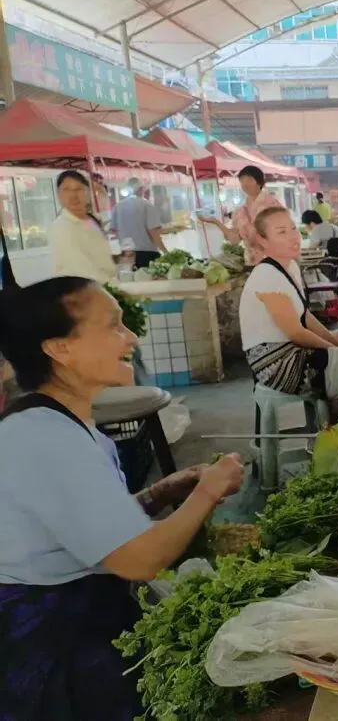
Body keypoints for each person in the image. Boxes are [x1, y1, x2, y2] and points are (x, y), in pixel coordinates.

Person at [0, 276, 244, 720]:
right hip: (49, 640)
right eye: (113, 326)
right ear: (59, 349)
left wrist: (159, 494)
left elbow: (87, 527)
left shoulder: (64, 424)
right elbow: (137, 560)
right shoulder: (45, 437)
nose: (131, 337)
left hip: (79, 616)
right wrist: (208, 492)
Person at [240, 207, 338, 404]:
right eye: (281, 232)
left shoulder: (290, 266)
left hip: (296, 346)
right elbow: (296, 333)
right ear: (263, 241)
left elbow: (304, 315)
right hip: (276, 361)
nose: (293, 237)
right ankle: (335, 421)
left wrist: (333, 341)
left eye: (293, 228)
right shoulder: (266, 275)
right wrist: (336, 349)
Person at [198, 165, 279, 265]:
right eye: (242, 181)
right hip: (251, 262)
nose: (245, 184)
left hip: (274, 260)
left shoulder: (273, 205)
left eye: (249, 180)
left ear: (259, 182)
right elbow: (234, 240)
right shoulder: (240, 211)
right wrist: (216, 222)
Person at [47, 170, 118, 283]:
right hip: (86, 293)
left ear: (88, 192)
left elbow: (101, 258)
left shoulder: (91, 221)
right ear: (58, 195)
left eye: (79, 189)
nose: (73, 195)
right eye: (66, 190)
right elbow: (82, 271)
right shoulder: (61, 227)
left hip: (106, 289)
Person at [113, 179, 167, 269]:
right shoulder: (147, 206)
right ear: (141, 189)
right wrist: (165, 252)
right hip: (147, 255)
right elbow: (153, 232)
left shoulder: (117, 207)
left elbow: (115, 231)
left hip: (126, 255)